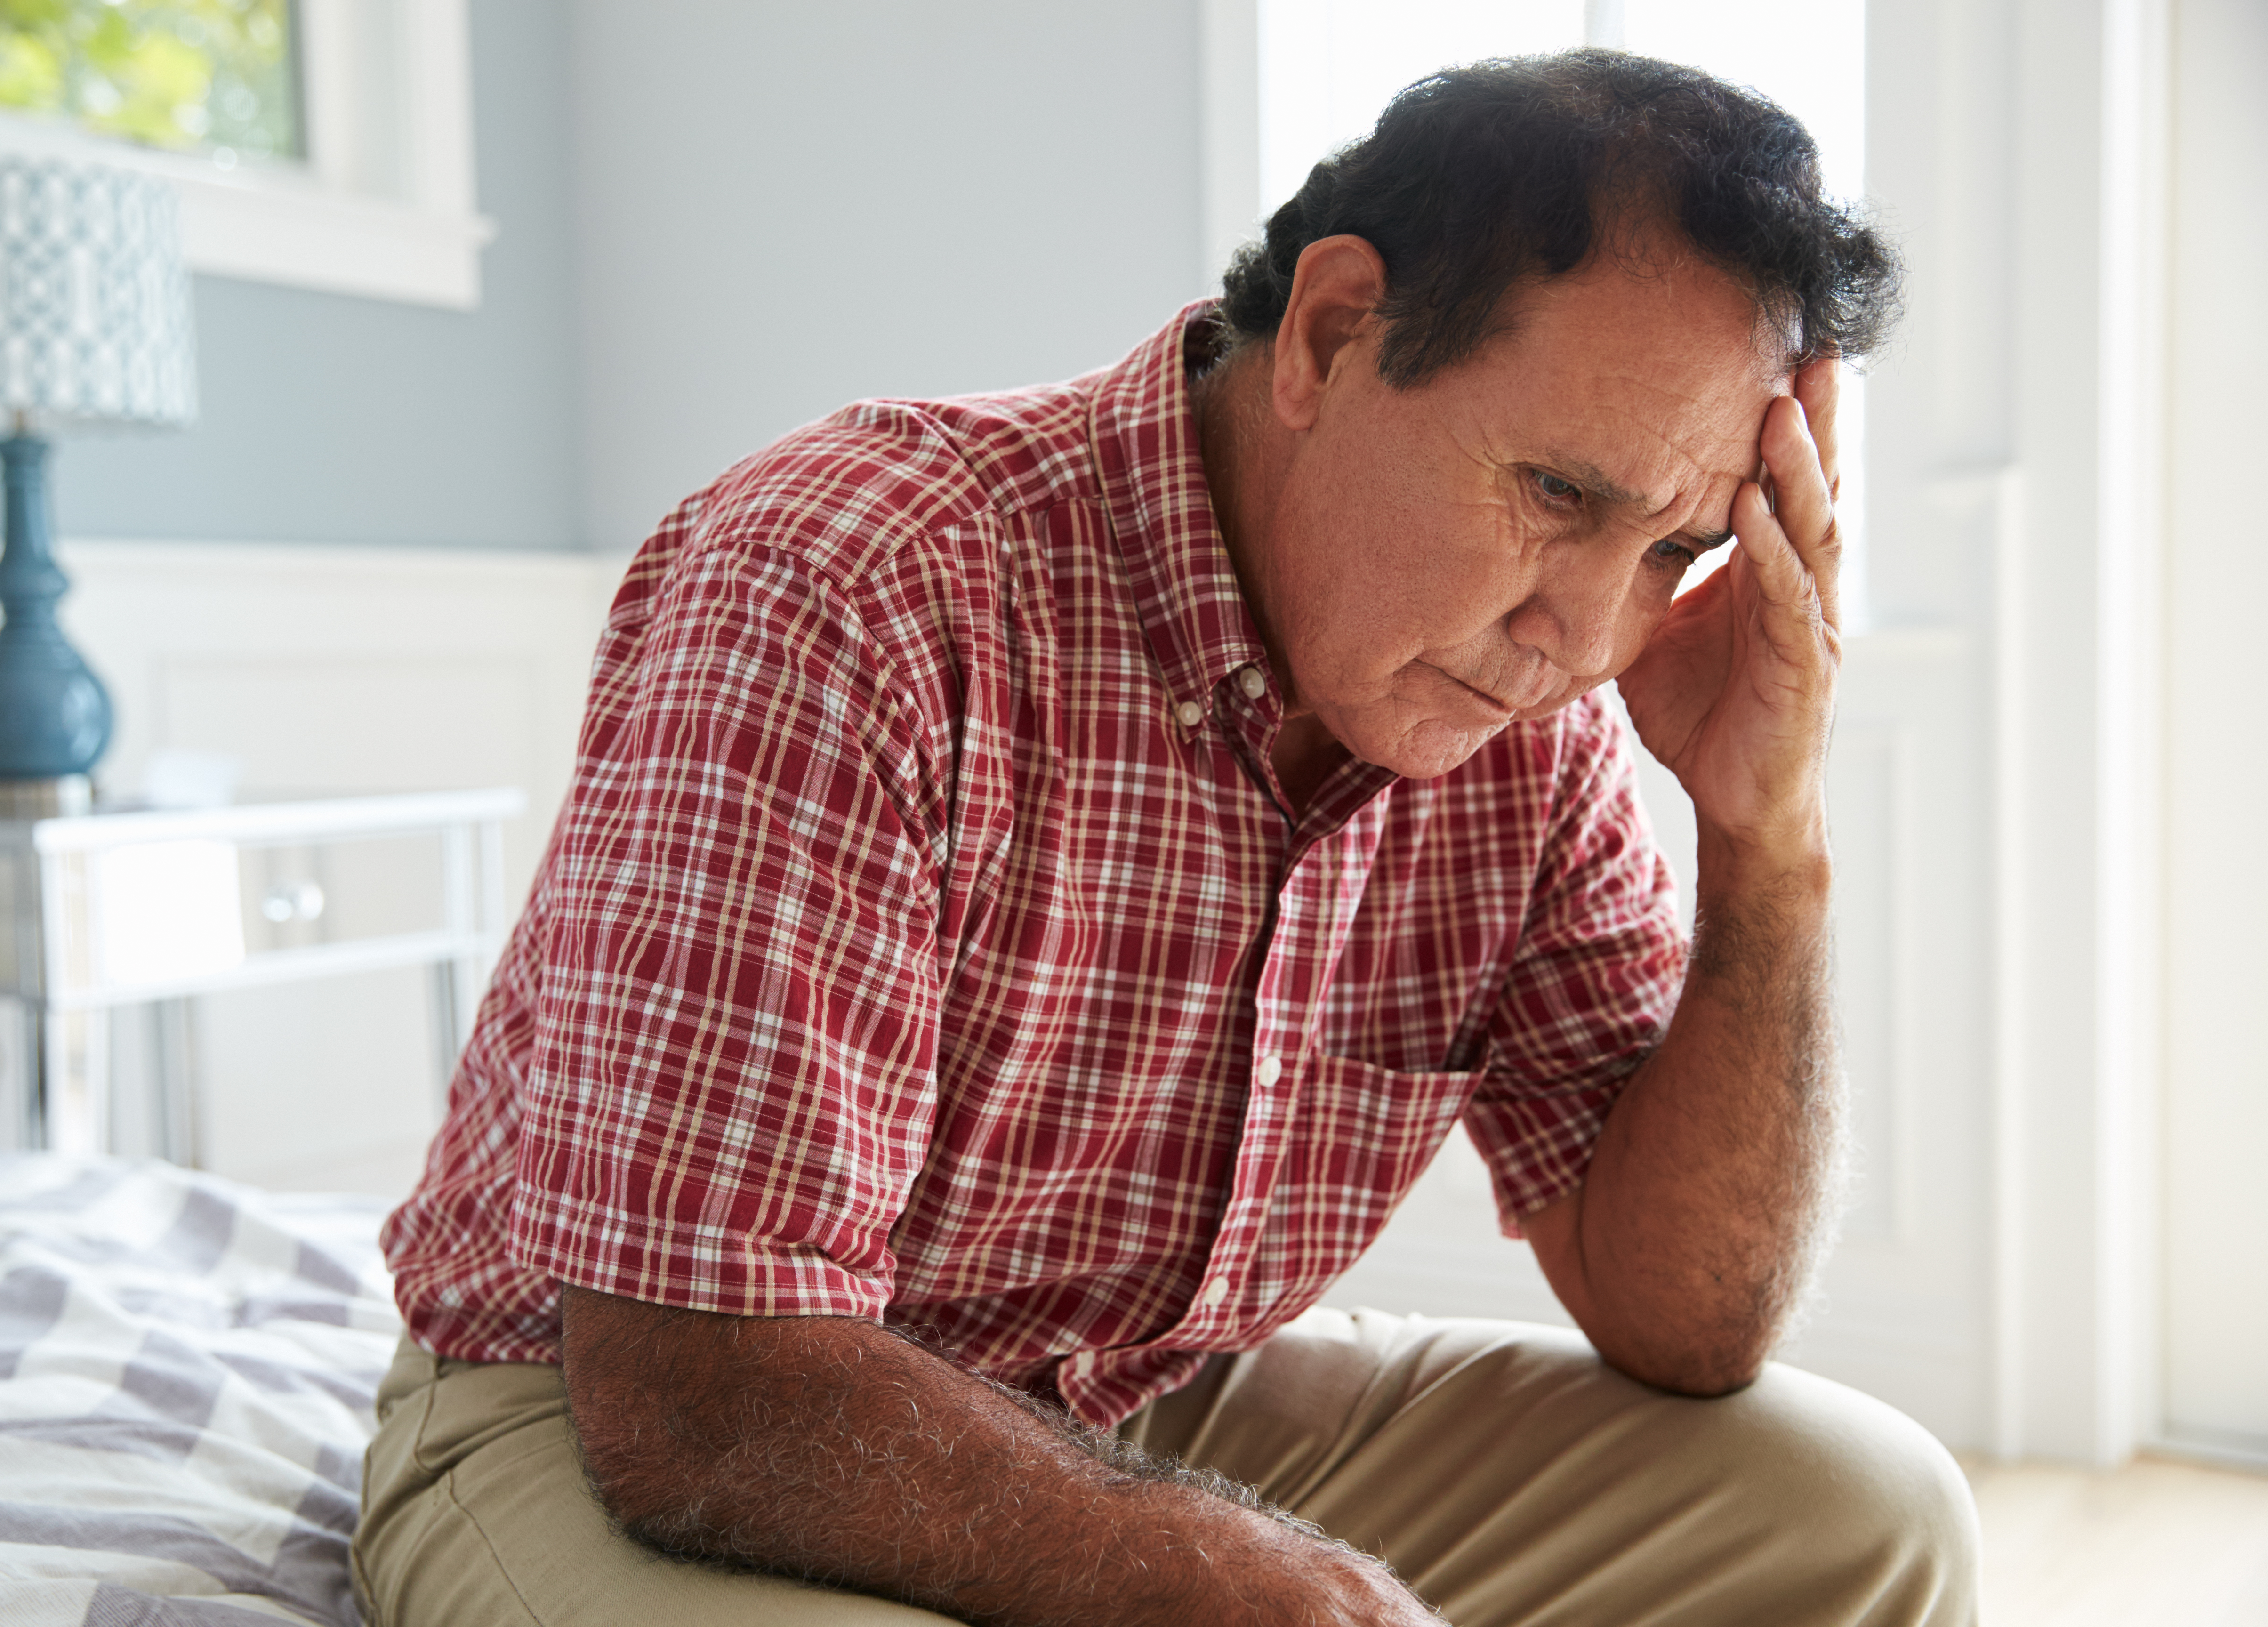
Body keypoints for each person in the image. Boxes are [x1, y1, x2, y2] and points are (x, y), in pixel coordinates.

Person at [356, 48, 1974, 1627]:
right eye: (1558, 491)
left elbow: (1684, 1324)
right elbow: (689, 1391)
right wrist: (1215, 1581)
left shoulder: (1521, 707)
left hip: (1124, 1397)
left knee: (1861, 1519)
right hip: (609, 1414)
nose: (1585, 633)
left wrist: (1770, 838)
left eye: (1673, 550)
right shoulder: (851, 584)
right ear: (1335, 334)